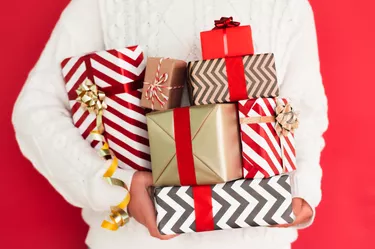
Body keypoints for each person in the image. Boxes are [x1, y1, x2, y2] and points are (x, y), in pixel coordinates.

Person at [12, 0, 328, 248]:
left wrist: (303, 191)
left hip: (258, 236)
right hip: (136, 244)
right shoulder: (101, 3)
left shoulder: (287, 5)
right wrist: (117, 186)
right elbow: (36, 109)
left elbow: (305, 114)